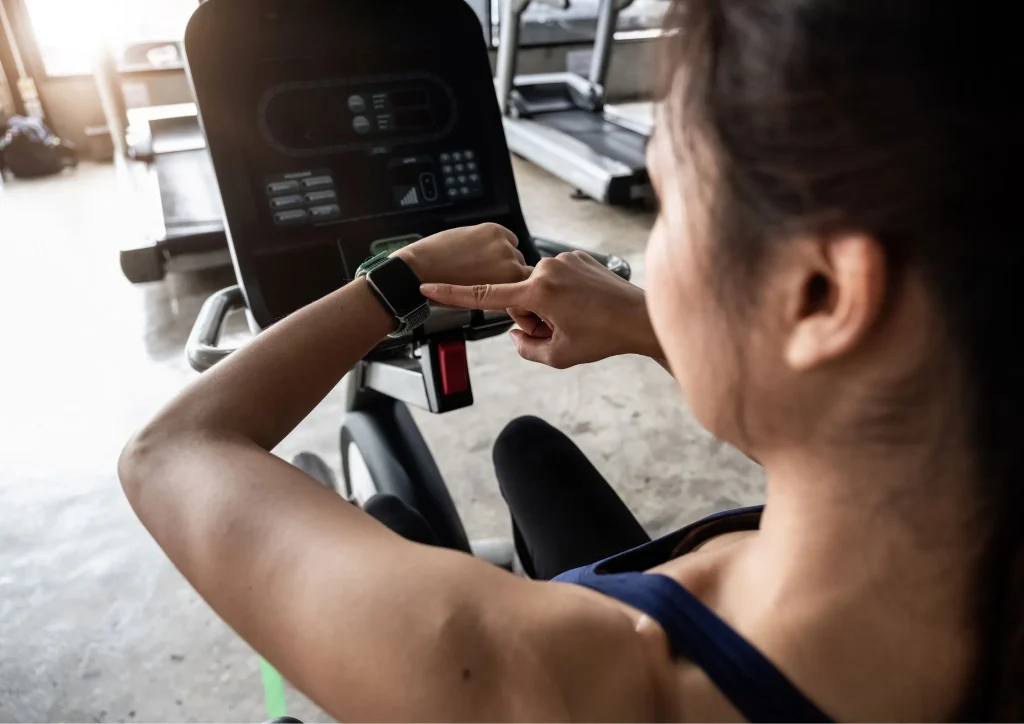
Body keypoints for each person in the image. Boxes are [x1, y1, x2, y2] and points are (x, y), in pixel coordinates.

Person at [119, 0, 1023, 720]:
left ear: (820, 296)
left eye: (669, 203)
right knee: (526, 453)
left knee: (394, 515)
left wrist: (396, 283)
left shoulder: (541, 681)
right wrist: (639, 321)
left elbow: (172, 452)